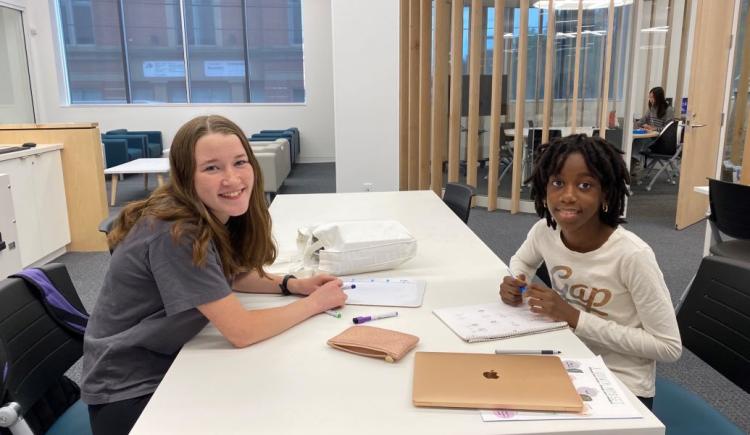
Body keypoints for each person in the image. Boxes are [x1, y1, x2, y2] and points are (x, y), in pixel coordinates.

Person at [81, 115, 348, 435]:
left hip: (168, 361)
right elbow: (242, 331)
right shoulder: (178, 233)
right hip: (132, 392)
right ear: (185, 177)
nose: (232, 179)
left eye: (240, 162)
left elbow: (230, 274)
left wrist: (293, 285)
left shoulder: (214, 213)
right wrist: (316, 303)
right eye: (212, 168)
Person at [499, 134, 681, 410]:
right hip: (565, 358)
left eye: (585, 185)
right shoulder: (545, 231)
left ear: (605, 193)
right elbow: (521, 262)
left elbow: (668, 347)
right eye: (558, 183)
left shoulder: (632, 256)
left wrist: (574, 317)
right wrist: (517, 282)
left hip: (621, 382)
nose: (568, 195)